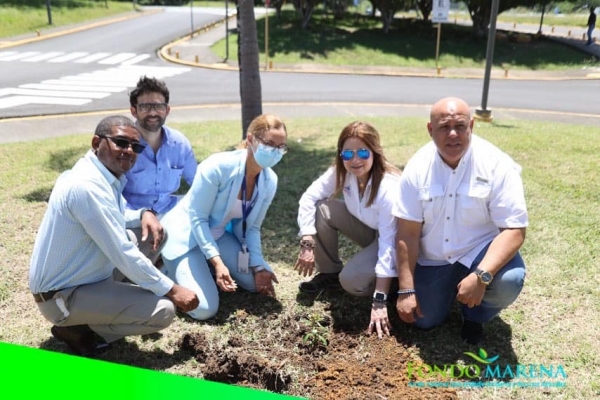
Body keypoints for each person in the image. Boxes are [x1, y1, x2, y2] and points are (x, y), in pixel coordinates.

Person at [29, 115, 199, 357]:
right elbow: (123, 253)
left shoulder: (102, 174)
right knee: (164, 309)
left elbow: (115, 215)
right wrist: (172, 289)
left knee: (150, 232)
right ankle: (77, 329)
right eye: (120, 142)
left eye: (135, 146)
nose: (129, 151)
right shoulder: (86, 186)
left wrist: (143, 213)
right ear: (96, 142)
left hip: (84, 276)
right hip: (62, 297)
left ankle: (106, 306)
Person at [393, 97, 528, 345]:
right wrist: (406, 290)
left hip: (479, 252)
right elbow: (407, 234)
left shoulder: (497, 164)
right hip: (435, 259)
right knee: (424, 320)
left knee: (509, 281)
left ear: (472, 126)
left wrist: (481, 276)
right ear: (430, 129)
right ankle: (446, 290)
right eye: (444, 127)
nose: (453, 134)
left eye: (460, 126)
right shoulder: (417, 168)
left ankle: (474, 316)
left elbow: (514, 230)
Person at [160, 114, 288, 321]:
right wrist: (218, 264)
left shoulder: (269, 180)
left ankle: (204, 266)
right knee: (204, 309)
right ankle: (165, 275)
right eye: (270, 144)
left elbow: (252, 228)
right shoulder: (217, 166)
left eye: (281, 147)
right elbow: (198, 219)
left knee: (255, 283)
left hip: (217, 236)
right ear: (251, 140)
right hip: (188, 236)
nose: (276, 152)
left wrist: (259, 265)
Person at [295, 121, 401, 339]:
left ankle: (393, 284)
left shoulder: (388, 187)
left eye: (363, 152)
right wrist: (307, 239)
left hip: (396, 241)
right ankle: (329, 273)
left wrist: (379, 299)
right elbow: (309, 197)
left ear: (375, 151)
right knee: (322, 209)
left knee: (352, 281)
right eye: (347, 153)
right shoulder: (342, 172)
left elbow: (389, 245)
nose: (355, 160)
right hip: (371, 230)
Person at [125, 76, 197, 217]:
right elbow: (110, 193)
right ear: (134, 111)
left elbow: (199, 183)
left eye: (158, 107)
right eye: (145, 107)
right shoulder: (122, 146)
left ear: (167, 110)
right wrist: (139, 216)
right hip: (132, 217)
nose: (152, 113)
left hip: (171, 213)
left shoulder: (180, 144)